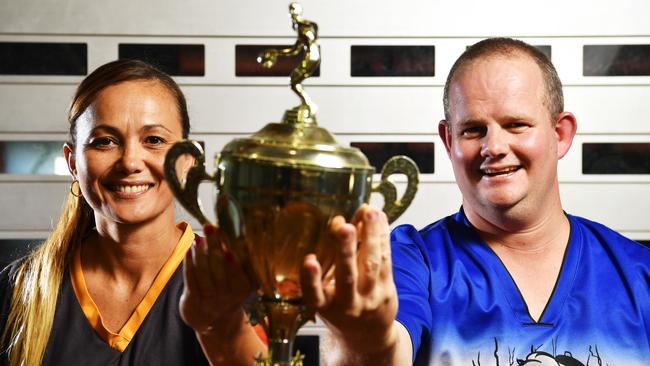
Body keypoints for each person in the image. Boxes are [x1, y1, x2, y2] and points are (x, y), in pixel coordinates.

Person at [301, 38, 650, 365]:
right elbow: (386, 347)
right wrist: (364, 340)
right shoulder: (411, 262)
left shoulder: (640, 274)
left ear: (560, 135)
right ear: (448, 139)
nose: (493, 147)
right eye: (472, 129)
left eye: (515, 125)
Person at [0, 59, 265, 365]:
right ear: (73, 163)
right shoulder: (18, 290)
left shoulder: (230, 278)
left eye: (154, 140)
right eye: (105, 142)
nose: (130, 162)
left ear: (188, 159)